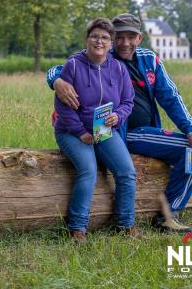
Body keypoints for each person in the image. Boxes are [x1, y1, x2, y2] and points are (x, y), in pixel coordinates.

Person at [48, 13, 192, 234]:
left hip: (144, 130)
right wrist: (56, 80)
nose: (125, 43)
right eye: (120, 37)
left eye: (131, 37)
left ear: (139, 38)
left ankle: (170, 211)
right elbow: (62, 68)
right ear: (113, 39)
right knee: (190, 151)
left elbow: (171, 97)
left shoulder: (149, 60)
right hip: (123, 132)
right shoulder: (104, 53)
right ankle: (166, 217)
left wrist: (191, 131)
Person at [54, 17, 137, 243]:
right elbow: (62, 105)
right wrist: (81, 132)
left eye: (105, 38)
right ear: (87, 39)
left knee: (127, 172)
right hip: (72, 131)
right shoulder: (73, 65)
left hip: (104, 130)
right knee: (88, 170)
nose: (99, 41)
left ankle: (125, 225)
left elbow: (128, 101)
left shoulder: (118, 68)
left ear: (111, 43)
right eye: (95, 36)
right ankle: (78, 229)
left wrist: (117, 116)